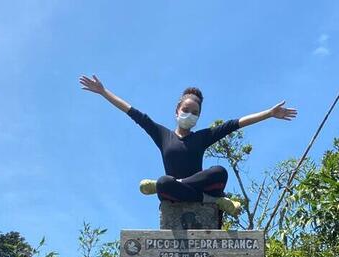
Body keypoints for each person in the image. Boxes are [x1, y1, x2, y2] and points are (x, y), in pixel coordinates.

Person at [79, 74, 297, 215]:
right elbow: (133, 113)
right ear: (177, 111)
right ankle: (213, 200)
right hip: (174, 194)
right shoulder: (162, 135)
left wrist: (269, 114)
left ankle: (175, 185)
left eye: (195, 113)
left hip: (187, 185)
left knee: (219, 171)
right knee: (165, 182)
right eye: (186, 110)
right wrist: (103, 92)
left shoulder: (201, 137)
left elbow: (236, 124)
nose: (190, 115)